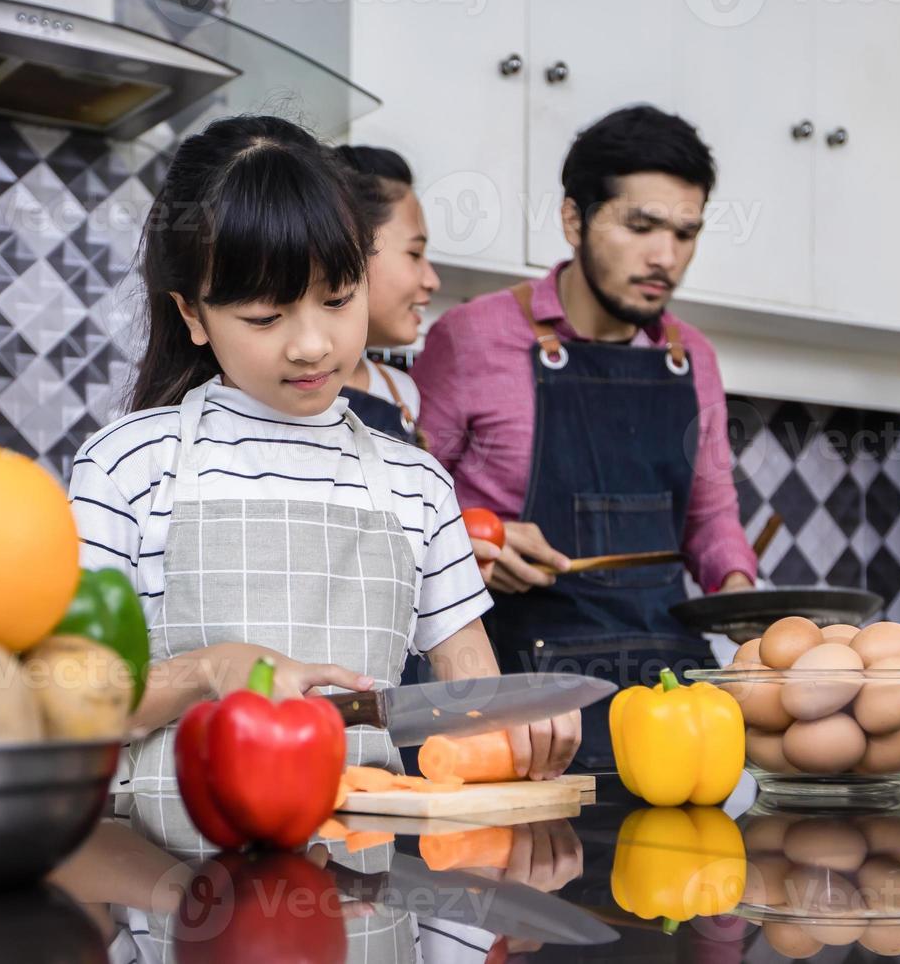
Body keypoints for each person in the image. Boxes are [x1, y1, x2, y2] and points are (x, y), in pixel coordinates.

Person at [68, 116, 580, 851]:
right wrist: (213, 670)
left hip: (369, 904)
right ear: (192, 315)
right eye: (264, 315)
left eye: (338, 299)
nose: (311, 344)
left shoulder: (418, 486)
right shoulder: (124, 466)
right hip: (170, 897)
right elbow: (67, 712)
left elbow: (474, 708)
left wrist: (522, 732)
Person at [412, 105, 758, 770]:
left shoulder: (696, 360)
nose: (666, 257)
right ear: (574, 219)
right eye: (641, 226)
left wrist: (741, 594)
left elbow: (710, 518)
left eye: (686, 234)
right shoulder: (472, 338)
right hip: (524, 703)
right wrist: (475, 538)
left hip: (672, 705)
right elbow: (403, 516)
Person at [332, 145, 437, 447]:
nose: (432, 280)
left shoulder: (400, 391)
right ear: (348, 247)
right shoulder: (276, 385)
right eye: (414, 253)